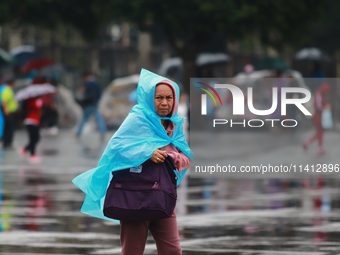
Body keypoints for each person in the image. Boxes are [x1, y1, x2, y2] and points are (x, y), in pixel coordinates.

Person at [72, 69, 193, 255]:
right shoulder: (138, 119)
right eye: (158, 97)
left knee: (173, 250)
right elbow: (116, 148)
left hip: (163, 196)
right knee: (132, 251)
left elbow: (185, 159)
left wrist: (171, 157)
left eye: (169, 98)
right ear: (149, 98)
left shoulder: (174, 125)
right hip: (135, 196)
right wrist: (147, 152)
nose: (164, 102)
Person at [19, 78, 44, 163]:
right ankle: (32, 154)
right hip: (30, 120)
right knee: (33, 138)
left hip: (37, 120)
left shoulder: (39, 99)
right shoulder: (30, 100)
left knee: (37, 138)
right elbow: (29, 108)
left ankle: (25, 149)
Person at [76, 71, 107, 139]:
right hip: (94, 103)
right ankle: (103, 133)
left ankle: (78, 133)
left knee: (84, 119)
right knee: (99, 118)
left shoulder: (88, 84)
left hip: (88, 104)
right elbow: (99, 93)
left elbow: (85, 94)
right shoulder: (96, 83)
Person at [302, 83, 331, 155]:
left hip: (320, 116)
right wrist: (325, 107)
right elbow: (318, 106)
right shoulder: (319, 95)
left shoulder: (321, 95)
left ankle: (310, 144)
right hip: (317, 116)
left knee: (320, 132)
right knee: (320, 132)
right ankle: (316, 146)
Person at [1, 79, 18, 149]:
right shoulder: (7, 90)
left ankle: (7, 142)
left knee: (9, 127)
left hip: (10, 111)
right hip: (8, 112)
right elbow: (4, 101)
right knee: (9, 128)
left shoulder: (8, 90)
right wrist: (5, 110)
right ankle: (7, 143)